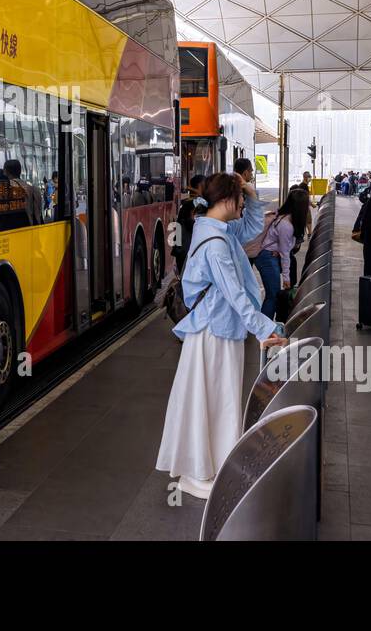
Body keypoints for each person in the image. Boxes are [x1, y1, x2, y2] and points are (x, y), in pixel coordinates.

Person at [157, 172, 287, 499]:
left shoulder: (215, 228)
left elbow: (252, 226)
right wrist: (264, 328)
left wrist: (251, 194)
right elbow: (235, 296)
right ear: (226, 200)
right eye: (240, 199)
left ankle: (206, 464)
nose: (244, 204)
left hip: (215, 329)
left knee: (211, 399)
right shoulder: (216, 243)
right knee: (219, 399)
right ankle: (204, 468)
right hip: (216, 331)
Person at [254, 185, 310, 322]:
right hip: (266, 257)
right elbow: (285, 254)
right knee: (272, 295)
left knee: (272, 294)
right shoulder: (286, 225)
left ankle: (265, 327)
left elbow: (283, 250)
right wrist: (286, 278)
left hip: (269, 255)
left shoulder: (285, 217)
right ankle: (264, 329)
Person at [173, 174, 206, 275]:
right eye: (205, 185)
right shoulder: (198, 204)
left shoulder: (186, 204)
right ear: (200, 186)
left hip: (182, 252)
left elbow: (178, 228)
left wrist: (178, 251)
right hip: (190, 252)